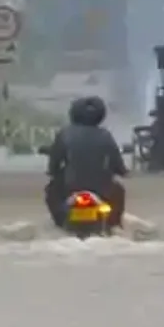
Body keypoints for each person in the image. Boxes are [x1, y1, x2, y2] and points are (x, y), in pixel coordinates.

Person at [45, 95, 128, 228]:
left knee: (51, 190)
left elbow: (54, 163)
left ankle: (59, 221)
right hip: (102, 189)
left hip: (70, 188)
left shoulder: (64, 134)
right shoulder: (105, 135)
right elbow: (117, 163)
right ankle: (114, 224)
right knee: (119, 190)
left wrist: (52, 171)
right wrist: (122, 171)